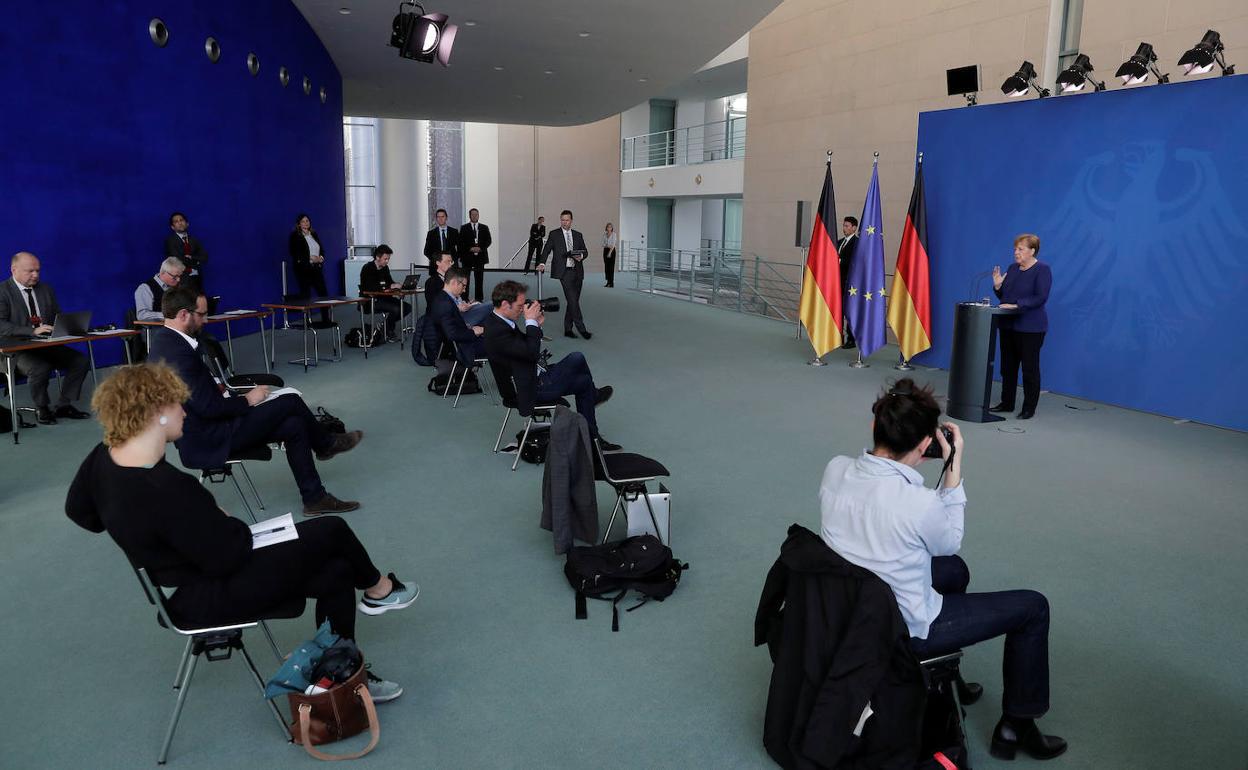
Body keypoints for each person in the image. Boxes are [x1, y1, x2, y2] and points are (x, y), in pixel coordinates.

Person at [65, 362, 418, 701]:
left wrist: (149, 535)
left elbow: (81, 513)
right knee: (332, 529)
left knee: (337, 571)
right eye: (177, 405)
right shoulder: (167, 488)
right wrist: (220, 516)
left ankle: (342, 672)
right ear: (156, 412)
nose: (185, 412)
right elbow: (229, 555)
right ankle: (377, 589)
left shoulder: (104, 457)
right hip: (208, 591)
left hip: (189, 578)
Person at [819, 379, 1066, 761]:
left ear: (875, 427)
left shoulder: (835, 469)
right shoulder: (917, 503)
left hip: (850, 612)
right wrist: (953, 462)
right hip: (905, 628)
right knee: (1033, 608)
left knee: (954, 571)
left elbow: (943, 554)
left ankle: (945, 677)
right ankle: (1017, 724)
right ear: (924, 445)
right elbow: (948, 538)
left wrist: (915, 457)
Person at [148, 286, 363, 516]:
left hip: (208, 428)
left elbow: (202, 399)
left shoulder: (165, 343)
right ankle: (326, 445)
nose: (206, 320)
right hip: (210, 438)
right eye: (201, 314)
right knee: (290, 400)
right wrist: (248, 400)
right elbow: (208, 408)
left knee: (294, 425)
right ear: (183, 314)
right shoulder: (178, 354)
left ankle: (315, 499)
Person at [482, 280, 619, 451]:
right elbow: (530, 353)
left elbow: (521, 349)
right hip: (529, 389)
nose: (522, 308)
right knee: (576, 357)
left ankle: (592, 438)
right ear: (504, 304)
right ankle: (594, 397)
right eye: (519, 305)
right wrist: (531, 323)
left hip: (531, 376)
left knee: (583, 382)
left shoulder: (498, 321)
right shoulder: (497, 330)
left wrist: (536, 325)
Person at [0, 251, 91, 424]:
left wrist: (64, 327)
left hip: (46, 344)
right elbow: (1, 325)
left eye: (38, 271)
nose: (36, 275)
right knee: (40, 367)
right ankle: (42, 408)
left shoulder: (45, 289)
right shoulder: (2, 291)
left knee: (80, 361)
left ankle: (64, 405)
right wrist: (32, 331)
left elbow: (56, 315)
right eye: (30, 271)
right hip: (15, 349)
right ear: (14, 270)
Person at [991, 234, 1052, 420]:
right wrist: (997, 286)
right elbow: (1005, 298)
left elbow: (1040, 297)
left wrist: (1018, 305)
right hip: (1009, 326)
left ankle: (1028, 408)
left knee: (1029, 369)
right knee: (1008, 368)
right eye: (1015, 249)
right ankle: (1007, 403)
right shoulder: (1012, 269)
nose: (1016, 253)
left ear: (1032, 251)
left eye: (1021, 249)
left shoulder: (1042, 270)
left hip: (1031, 328)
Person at [537, 209, 592, 339]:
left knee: (572, 301)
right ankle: (582, 329)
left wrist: (581, 256)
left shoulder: (578, 235)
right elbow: (546, 250)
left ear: (571, 221)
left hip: (577, 272)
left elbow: (585, 251)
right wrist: (542, 263)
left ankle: (568, 329)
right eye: (562, 220)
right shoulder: (554, 234)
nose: (564, 222)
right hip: (564, 272)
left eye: (567, 220)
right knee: (573, 300)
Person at [429, 267, 485, 361]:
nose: (464, 290)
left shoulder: (442, 298)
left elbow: (450, 327)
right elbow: (452, 334)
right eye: (463, 286)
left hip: (457, 343)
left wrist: (467, 328)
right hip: (462, 347)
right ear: (454, 282)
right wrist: (474, 332)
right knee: (500, 344)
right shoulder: (446, 304)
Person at [359, 245, 411, 342]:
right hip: (371, 300)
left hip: (385, 298)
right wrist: (389, 286)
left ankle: (384, 326)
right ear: (377, 257)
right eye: (385, 259)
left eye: (388, 259)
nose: (387, 261)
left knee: (407, 307)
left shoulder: (385, 268)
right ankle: (388, 330)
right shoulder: (367, 268)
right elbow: (370, 288)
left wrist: (397, 286)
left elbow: (390, 282)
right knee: (396, 309)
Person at [427, 251, 493, 326]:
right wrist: (458, 308)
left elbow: (457, 298)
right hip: (452, 317)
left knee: (486, 312)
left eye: (452, 261)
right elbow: (435, 306)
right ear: (438, 263)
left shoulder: (452, 278)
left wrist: (466, 303)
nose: (451, 264)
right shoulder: (432, 282)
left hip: (461, 313)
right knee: (493, 304)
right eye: (448, 261)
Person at [288, 213, 331, 323]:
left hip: (316, 268)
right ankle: (307, 320)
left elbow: (321, 249)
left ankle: (326, 319)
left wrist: (321, 257)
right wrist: (309, 258)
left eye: (307, 221)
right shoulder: (295, 235)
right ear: (299, 224)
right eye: (303, 221)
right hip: (304, 269)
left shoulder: (314, 234)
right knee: (306, 295)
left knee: (323, 293)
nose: (306, 223)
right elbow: (294, 252)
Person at [164, 212, 209, 292]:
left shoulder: (194, 240)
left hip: (196, 279)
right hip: (181, 279)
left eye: (181, 220)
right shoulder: (170, 241)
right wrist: (196, 261)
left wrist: (191, 257)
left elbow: (205, 257)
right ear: (172, 227)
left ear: (187, 224)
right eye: (176, 221)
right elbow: (177, 260)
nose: (180, 223)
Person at [134, 257, 185, 322]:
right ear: (163, 273)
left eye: (180, 276)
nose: (178, 280)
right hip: (157, 330)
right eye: (175, 276)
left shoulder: (178, 288)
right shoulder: (145, 288)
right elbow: (142, 315)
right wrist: (169, 316)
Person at [458, 208, 492, 303]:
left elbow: (488, 241)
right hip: (467, 257)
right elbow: (461, 242)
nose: (474, 216)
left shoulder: (484, 227)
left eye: (476, 214)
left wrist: (480, 248)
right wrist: (470, 248)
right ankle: (464, 298)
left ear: (478, 215)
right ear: (469, 216)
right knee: (466, 279)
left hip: (480, 257)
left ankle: (479, 298)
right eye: (472, 214)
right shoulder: (464, 228)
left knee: (479, 279)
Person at [838, 216, 859, 349]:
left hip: (850, 283)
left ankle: (851, 339)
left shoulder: (857, 243)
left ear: (854, 228)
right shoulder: (839, 242)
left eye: (847, 226)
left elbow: (854, 261)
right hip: (837, 282)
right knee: (838, 309)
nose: (844, 228)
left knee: (850, 311)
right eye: (844, 225)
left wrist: (838, 261)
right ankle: (838, 336)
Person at [423, 209, 459, 275]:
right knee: (436, 285)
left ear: (446, 218)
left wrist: (452, 260)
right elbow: (426, 251)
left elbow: (460, 249)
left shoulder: (454, 232)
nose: (440, 219)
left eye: (442, 216)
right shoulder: (431, 233)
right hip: (436, 267)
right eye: (438, 217)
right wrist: (437, 260)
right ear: (436, 218)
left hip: (451, 266)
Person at [602, 222, 618, 288]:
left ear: (612, 228)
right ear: (606, 228)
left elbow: (613, 245)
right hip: (605, 250)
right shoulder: (604, 235)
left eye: (610, 227)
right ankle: (608, 282)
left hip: (612, 251)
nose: (609, 228)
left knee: (611, 267)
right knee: (606, 267)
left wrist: (609, 253)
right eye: (608, 227)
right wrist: (607, 245)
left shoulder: (614, 234)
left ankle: (611, 283)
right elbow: (602, 244)